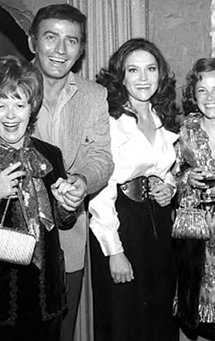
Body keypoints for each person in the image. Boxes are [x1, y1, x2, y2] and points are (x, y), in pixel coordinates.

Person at [27, 4, 114, 341]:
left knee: (60, 331)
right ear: (33, 42)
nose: (61, 50)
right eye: (51, 37)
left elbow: (101, 158)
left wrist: (83, 181)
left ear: (81, 50)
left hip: (67, 240)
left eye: (72, 41)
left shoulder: (94, 96)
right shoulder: (7, 88)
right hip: (11, 241)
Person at [89, 37, 180, 341]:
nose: (143, 78)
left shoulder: (161, 117)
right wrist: (114, 251)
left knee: (159, 312)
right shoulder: (110, 120)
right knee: (125, 319)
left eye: (150, 69)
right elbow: (101, 192)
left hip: (157, 226)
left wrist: (167, 187)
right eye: (133, 70)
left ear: (160, 73)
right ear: (121, 76)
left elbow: (165, 169)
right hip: (121, 224)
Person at [0, 55, 77, 341]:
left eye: (19, 105)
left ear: (32, 109)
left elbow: (62, 222)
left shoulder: (50, 154)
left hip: (46, 296)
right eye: (1, 105)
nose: (10, 115)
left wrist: (67, 205)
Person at [173, 58, 215, 341]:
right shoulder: (186, 130)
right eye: (203, 90)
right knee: (201, 322)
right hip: (200, 232)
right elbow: (170, 175)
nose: (210, 97)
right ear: (193, 94)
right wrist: (186, 180)